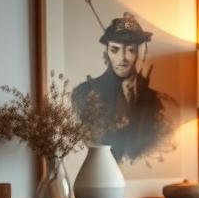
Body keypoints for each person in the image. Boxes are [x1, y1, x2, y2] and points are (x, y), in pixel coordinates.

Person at [71, 12, 172, 163]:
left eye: (130, 50)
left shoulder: (156, 100)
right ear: (107, 51)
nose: (123, 58)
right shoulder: (85, 93)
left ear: (139, 52)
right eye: (115, 50)